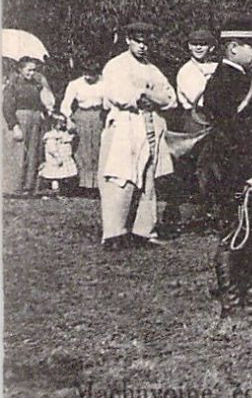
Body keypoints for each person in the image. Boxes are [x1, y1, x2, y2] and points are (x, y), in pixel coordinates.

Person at [197, 16, 252, 318]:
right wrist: (248, 173)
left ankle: (249, 296)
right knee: (235, 233)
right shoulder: (222, 83)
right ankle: (232, 301)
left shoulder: (245, 78)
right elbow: (227, 137)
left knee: (250, 232)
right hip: (233, 174)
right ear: (233, 48)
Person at [98, 22, 178, 247]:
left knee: (148, 177)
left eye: (146, 42)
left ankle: (143, 231)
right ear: (128, 40)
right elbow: (120, 95)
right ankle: (114, 233)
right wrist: (147, 94)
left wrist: (146, 93)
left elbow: (170, 98)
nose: (143, 46)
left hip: (151, 124)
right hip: (125, 124)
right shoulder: (116, 65)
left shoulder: (152, 68)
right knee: (120, 176)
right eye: (138, 41)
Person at [161, 28, 218, 236]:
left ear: (211, 47)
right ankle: (174, 214)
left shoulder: (216, 66)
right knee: (190, 167)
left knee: (213, 167)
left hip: (215, 119)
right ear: (189, 47)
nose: (198, 47)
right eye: (194, 44)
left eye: (203, 44)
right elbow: (200, 98)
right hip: (194, 120)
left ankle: (210, 214)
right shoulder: (186, 71)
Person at [4, 56, 51, 196]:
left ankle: (30, 186)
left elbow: (44, 101)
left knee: (34, 152)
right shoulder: (13, 84)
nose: (31, 73)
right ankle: (15, 185)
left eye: (34, 70)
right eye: (29, 70)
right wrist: (14, 125)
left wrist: (44, 111)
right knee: (19, 152)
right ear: (20, 69)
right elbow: (7, 106)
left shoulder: (37, 83)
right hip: (21, 118)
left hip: (36, 119)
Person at [60, 64, 106, 192]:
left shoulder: (105, 82)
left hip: (99, 116)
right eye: (85, 73)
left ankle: (97, 184)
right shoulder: (75, 84)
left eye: (91, 74)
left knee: (98, 148)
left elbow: (111, 101)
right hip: (81, 116)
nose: (88, 77)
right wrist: (69, 119)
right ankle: (83, 184)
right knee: (82, 149)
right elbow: (65, 105)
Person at [38, 115, 77, 198]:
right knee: (54, 176)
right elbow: (51, 148)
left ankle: (60, 191)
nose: (61, 125)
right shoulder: (51, 136)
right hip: (55, 159)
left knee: (61, 175)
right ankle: (54, 192)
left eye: (63, 123)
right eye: (59, 123)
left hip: (63, 157)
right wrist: (57, 156)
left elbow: (69, 137)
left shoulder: (63, 134)